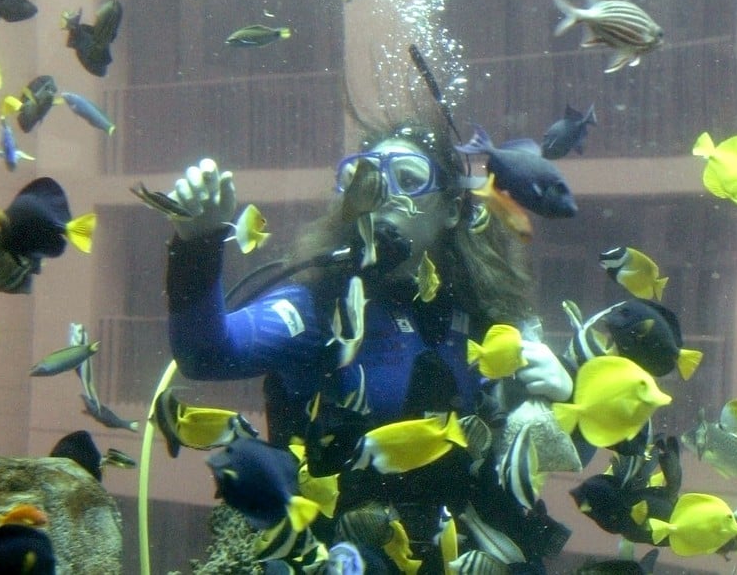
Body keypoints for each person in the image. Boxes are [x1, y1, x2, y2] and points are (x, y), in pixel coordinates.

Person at [156, 119, 576, 572]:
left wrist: (564, 394)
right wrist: (196, 245)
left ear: (452, 209)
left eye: (410, 180)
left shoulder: (487, 319)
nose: (384, 193)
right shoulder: (319, 308)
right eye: (365, 177)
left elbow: (557, 454)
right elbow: (206, 355)